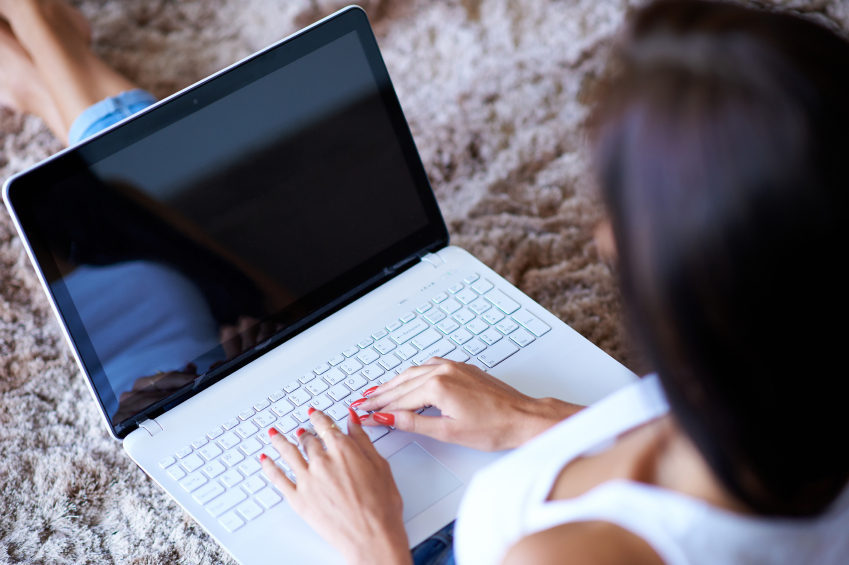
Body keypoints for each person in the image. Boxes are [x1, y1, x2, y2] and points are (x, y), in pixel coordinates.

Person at [3, 1, 848, 564]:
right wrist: (534, 419)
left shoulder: (576, 554)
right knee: (237, 294)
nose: (598, 235)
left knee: (169, 291)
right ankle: (69, 85)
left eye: (620, 203)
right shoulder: (786, 384)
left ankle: (67, 84)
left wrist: (372, 534)